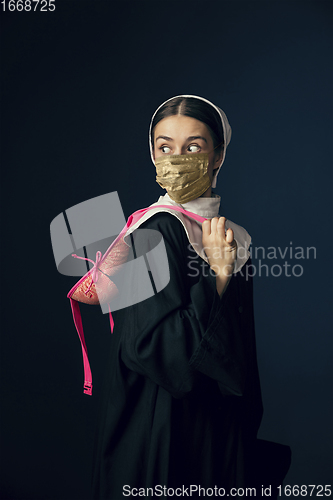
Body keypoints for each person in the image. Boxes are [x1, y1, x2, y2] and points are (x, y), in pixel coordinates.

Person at [91, 95, 264, 499]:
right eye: (165, 146)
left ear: (218, 155)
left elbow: (241, 352)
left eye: (194, 147)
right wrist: (219, 277)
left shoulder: (230, 235)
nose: (177, 158)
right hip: (160, 430)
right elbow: (151, 348)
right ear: (152, 154)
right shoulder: (152, 231)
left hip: (218, 431)